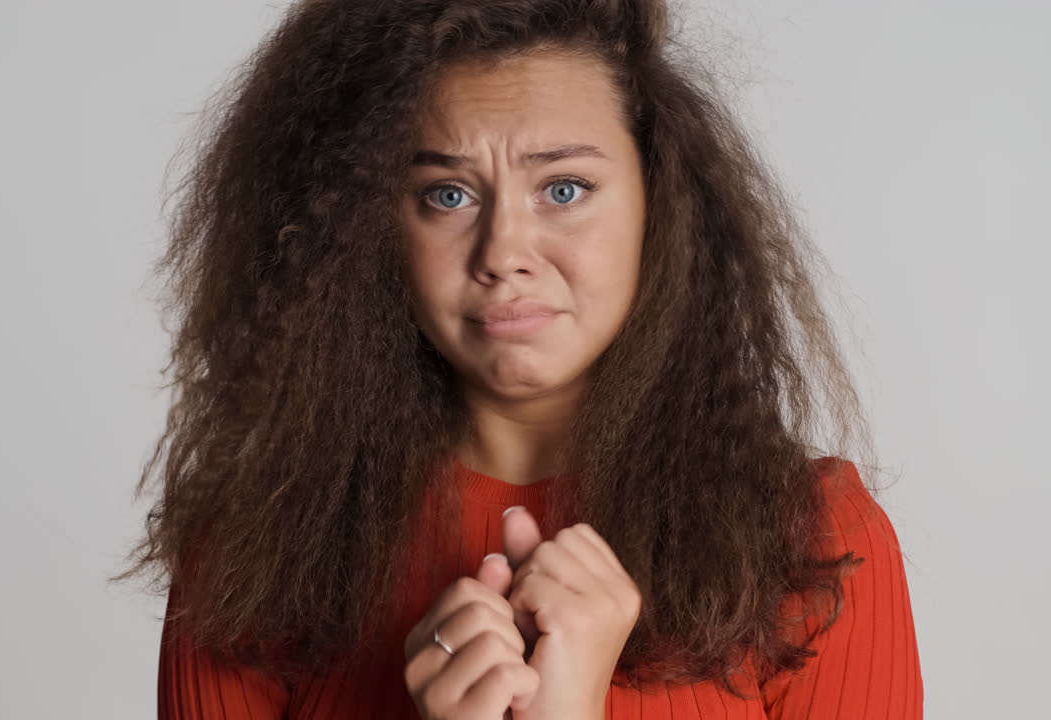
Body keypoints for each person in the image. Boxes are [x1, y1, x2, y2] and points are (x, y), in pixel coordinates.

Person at [111, 0, 924, 717]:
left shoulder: (811, 542)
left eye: (563, 189)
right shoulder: (248, 555)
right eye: (448, 195)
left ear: (661, 207)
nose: (504, 251)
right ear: (370, 231)